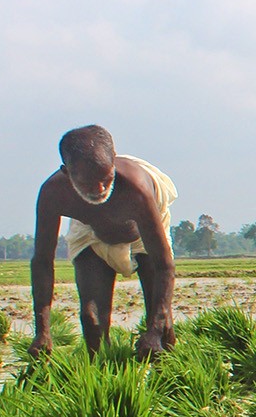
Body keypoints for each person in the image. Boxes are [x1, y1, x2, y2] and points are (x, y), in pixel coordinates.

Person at [29, 125, 178, 358]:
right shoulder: (53, 193)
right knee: (92, 321)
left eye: (105, 178)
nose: (99, 189)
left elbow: (164, 265)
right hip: (91, 232)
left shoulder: (136, 190)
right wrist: (42, 331)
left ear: (113, 164)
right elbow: (42, 262)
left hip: (142, 233)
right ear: (66, 173)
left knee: (160, 322)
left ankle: (167, 377)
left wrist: (155, 329)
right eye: (88, 182)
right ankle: (103, 379)